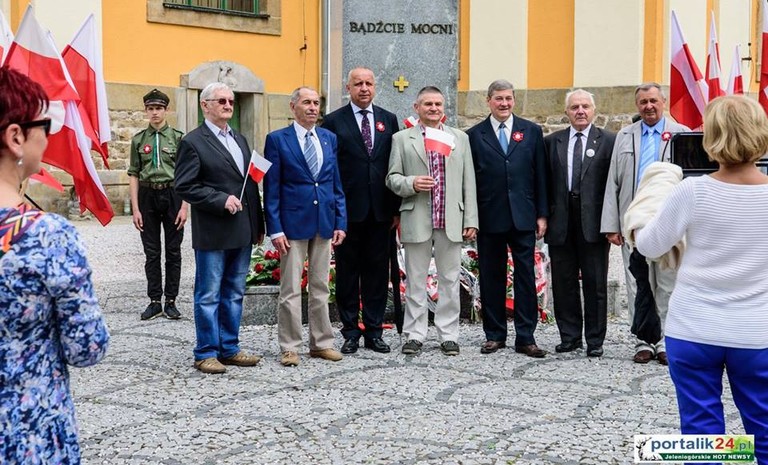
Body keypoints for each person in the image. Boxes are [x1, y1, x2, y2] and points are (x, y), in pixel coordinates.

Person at [634, 95, 768, 464]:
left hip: (694, 327)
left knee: (701, 434)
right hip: (756, 332)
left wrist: (647, 205)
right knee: (764, 430)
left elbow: (649, 245)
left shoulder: (691, 191)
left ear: (710, 138)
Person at [0, 67, 109, 464]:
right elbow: (87, 347)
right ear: (16, 137)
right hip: (27, 431)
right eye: (44, 126)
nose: (48, 137)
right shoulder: (47, 236)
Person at [175, 82, 265, 374]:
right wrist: (219, 199)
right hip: (213, 231)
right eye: (222, 101)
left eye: (231, 101)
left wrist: (258, 224)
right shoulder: (193, 142)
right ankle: (205, 352)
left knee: (234, 292)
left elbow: (248, 185)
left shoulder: (239, 139)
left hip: (241, 230)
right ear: (205, 105)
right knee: (209, 294)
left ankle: (229, 348)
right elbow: (185, 185)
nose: (228, 105)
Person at [600, 82, 690, 365]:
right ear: (637, 105)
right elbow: (613, 181)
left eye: (653, 101)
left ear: (663, 102)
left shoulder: (681, 134)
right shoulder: (625, 136)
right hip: (634, 224)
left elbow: (691, 181)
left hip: (669, 221)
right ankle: (643, 339)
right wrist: (611, 225)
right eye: (643, 102)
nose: (648, 106)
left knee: (667, 282)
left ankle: (664, 340)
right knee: (638, 283)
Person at [386, 86, 478, 356]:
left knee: (450, 279)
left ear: (443, 107)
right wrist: (411, 183)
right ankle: (414, 334)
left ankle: (448, 335)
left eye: (438, 104)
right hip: (417, 216)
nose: (434, 108)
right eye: (428, 104)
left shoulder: (459, 138)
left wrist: (471, 218)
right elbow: (391, 178)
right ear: (417, 108)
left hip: (451, 217)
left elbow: (469, 181)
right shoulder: (402, 139)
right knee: (415, 280)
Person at [263, 86, 347, 367]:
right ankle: (290, 346)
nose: (313, 108)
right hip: (292, 224)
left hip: (324, 222)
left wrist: (340, 221)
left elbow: (335, 183)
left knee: (321, 286)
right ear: (293, 107)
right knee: (290, 289)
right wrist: (275, 228)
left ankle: (321, 343)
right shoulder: (277, 140)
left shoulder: (328, 138)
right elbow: (272, 188)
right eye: (307, 102)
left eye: (316, 103)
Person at [321, 67, 400, 355]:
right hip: (348, 212)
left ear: (374, 87)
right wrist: (334, 211)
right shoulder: (333, 121)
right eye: (358, 84)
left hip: (381, 212)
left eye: (368, 83)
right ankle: (351, 331)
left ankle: (375, 331)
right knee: (347, 274)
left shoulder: (388, 120)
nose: (364, 88)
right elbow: (329, 167)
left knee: (377, 274)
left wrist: (396, 210)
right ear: (348, 88)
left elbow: (394, 164)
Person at [466, 79, 548, 358]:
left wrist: (542, 214)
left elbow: (540, 175)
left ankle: (526, 336)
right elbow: (470, 180)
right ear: (488, 101)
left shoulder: (531, 131)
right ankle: (494, 334)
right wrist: (471, 218)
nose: (504, 103)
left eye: (508, 98)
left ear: (514, 100)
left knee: (525, 277)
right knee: (491, 277)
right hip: (489, 216)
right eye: (499, 98)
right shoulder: (474, 135)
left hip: (523, 216)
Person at [544, 89, 615, 357]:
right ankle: (570, 336)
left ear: (594, 110)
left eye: (585, 106)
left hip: (594, 223)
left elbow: (613, 184)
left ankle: (595, 340)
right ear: (566, 112)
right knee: (564, 282)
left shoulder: (609, 141)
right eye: (575, 107)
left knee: (596, 283)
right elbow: (544, 182)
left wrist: (613, 223)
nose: (580, 111)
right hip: (560, 221)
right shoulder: (552, 142)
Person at [128, 88, 188, 321]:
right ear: (146, 111)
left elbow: (186, 174)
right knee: (151, 252)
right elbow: (134, 174)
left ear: (166, 110)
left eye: (159, 108)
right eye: (151, 108)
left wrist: (184, 206)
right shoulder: (138, 140)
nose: (155, 113)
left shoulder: (178, 138)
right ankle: (154, 301)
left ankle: (171, 301)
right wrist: (135, 209)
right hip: (147, 195)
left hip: (173, 194)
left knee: (173, 251)